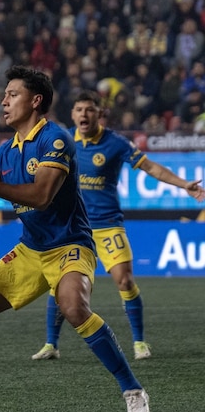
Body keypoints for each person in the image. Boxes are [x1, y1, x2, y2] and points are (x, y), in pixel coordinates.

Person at [0, 66, 150, 412]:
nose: (3, 101)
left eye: (12, 94)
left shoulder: (54, 139)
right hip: (30, 250)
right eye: (4, 95)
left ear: (36, 101)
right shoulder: (5, 152)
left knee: (73, 306)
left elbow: (40, 196)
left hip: (71, 245)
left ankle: (133, 391)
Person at [32, 91, 205, 362]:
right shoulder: (63, 140)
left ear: (99, 114)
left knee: (125, 281)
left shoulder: (115, 143)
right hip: (74, 228)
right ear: (73, 114)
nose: (84, 115)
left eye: (89, 109)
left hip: (108, 225)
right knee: (59, 285)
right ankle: (51, 344)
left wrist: (184, 184)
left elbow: (151, 168)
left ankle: (139, 342)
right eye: (79, 109)